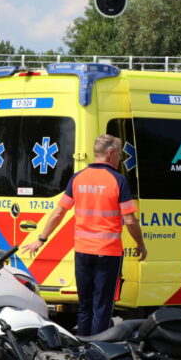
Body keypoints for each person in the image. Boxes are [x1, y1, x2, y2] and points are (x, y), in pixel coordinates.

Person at [21, 134, 147, 336]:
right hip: (108, 254)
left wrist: (41, 239)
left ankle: (82, 348)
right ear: (110, 153)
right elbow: (130, 220)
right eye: (120, 155)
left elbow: (59, 212)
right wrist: (141, 245)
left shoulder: (78, 178)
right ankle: (99, 350)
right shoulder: (118, 180)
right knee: (102, 306)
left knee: (85, 306)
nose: (121, 159)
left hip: (82, 252)